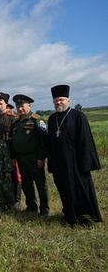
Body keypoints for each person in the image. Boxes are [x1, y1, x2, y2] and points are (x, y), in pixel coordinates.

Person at [47, 85, 103, 226]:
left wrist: (86, 163)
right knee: (64, 190)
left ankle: (85, 218)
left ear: (68, 100)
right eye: (55, 100)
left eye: (61, 99)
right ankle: (69, 216)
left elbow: (85, 140)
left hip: (76, 163)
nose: (58, 102)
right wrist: (52, 163)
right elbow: (50, 143)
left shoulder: (78, 116)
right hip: (60, 164)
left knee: (80, 190)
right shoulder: (52, 119)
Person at [11, 94, 49, 216]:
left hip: (34, 158)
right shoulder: (16, 122)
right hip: (21, 158)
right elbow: (13, 140)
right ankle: (31, 206)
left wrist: (41, 158)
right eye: (18, 106)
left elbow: (44, 140)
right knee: (26, 184)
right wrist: (14, 157)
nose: (20, 109)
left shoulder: (36, 120)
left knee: (40, 184)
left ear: (29, 105)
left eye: (22, 106)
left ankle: (44, 209)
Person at [0, 92, 21, 209]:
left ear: (6, 104)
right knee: (4, 177)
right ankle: (7, 201)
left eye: (1, 103)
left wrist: (14, 156)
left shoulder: (13, 118)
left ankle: (17, 201)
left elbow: (15, 138)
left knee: (15, 177)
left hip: (11, 151)